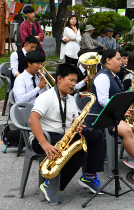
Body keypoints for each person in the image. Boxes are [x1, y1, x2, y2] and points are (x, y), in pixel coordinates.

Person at [29, 64, 105, 203]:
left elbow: (73, 119)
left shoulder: (70, 98)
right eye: (71, 80)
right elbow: (32, 119)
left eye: (75, 81)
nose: (74, 84)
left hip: (64, 135)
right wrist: (44, 143)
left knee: (97, 135)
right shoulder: (47, 96)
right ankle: (50, 185)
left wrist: (78, 126)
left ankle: (89, 176)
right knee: (80, 153)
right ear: (59, 78)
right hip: (46, 137)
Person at [87, 49, 134, 176]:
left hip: (112, 114)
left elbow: (116, 96)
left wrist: (128, 92)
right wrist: (120, 110)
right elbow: (103, 100)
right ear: (108, 60)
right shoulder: (102, 77)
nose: (122, 62)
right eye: (118, 59)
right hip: (101, 116)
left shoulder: (113, 75)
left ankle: (133, 158)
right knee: (127, 130)